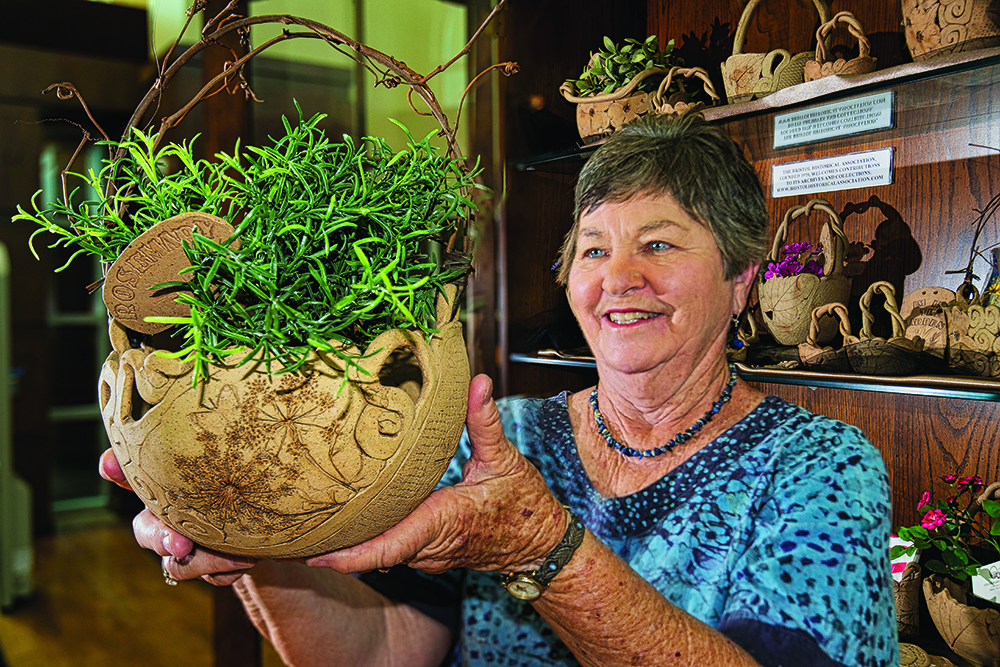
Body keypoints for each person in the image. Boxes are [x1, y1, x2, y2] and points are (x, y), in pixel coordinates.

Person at [100, 112, 898, 667]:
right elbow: (383, 651)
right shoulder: (504, 438)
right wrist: (259, 548)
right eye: (592, 250)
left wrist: (539, 548)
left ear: (739, 281)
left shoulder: (820, 468)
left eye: (659, 242)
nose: (619, 277)